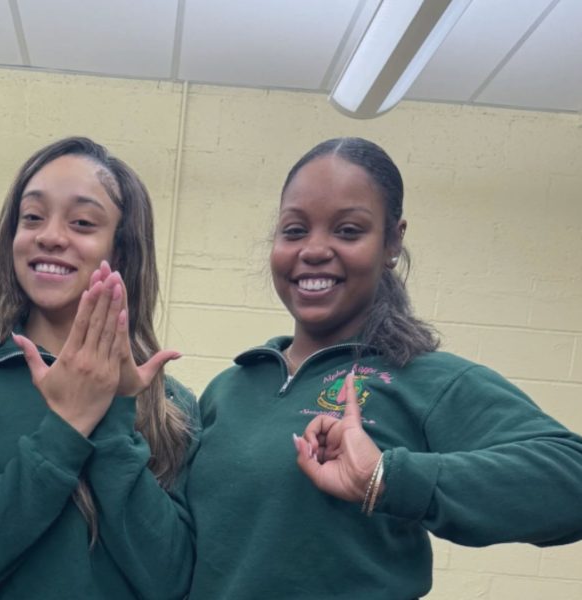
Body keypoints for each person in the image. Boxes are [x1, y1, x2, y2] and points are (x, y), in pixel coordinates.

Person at [187, 137, 582, 599]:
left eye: (348, 231)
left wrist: (387, 478)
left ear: (392, 242)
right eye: (294, 230)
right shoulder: (229, 388)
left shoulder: (424, 379)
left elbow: (570, 479)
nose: (314, 249)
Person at [0, 136, 200, 599]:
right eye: (32, 217)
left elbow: (172, 581)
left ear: (121, 251)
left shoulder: (173, 404)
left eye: (82, 222)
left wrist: (112, 412)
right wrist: (66, 427)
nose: (49, 235)